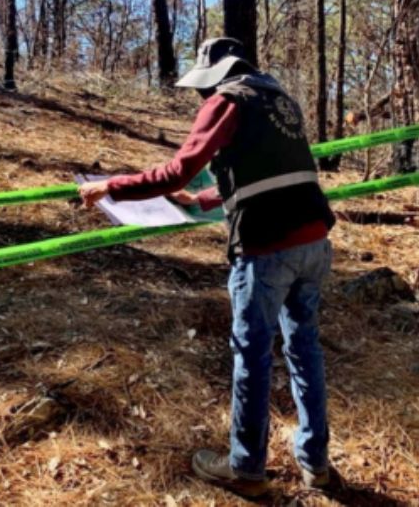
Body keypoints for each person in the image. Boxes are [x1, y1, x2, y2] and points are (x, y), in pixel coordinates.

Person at [79, 38, 336, 499]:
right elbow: (271, 172)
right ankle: (315, 464)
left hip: (266, 247)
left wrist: (110, 187)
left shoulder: (227, 100)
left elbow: (178, 170)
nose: (203, 96)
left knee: (252, 357)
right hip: (314, 241)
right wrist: (202, 201)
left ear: (215, 75)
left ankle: (245, 468)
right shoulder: (280, 100)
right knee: (304, 352)